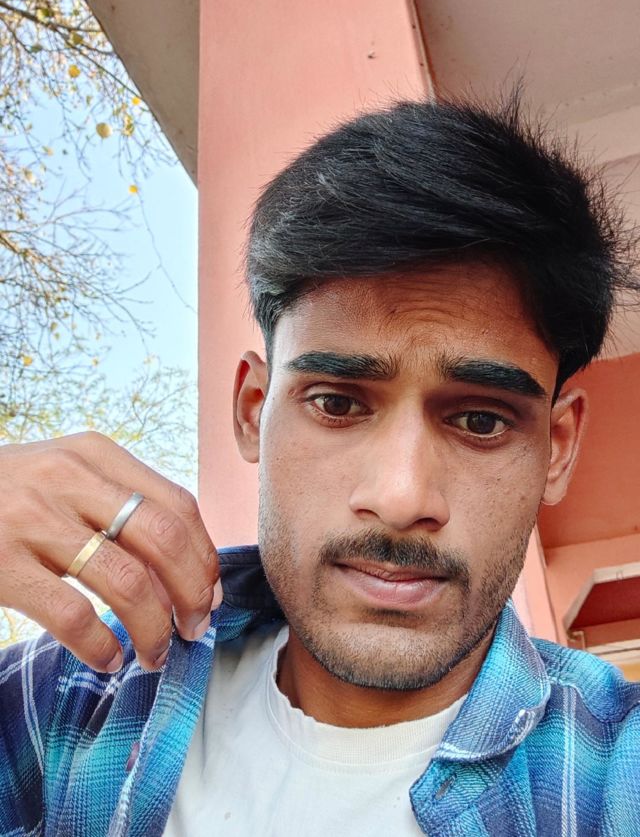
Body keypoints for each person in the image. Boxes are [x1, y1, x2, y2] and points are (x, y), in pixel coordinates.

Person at [1, 91, 639, 837]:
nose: (401, 497)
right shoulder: (66, 697)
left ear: (556, 448)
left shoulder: (612, 772)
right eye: (337, 403)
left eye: (480, 420)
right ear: (253, 410)